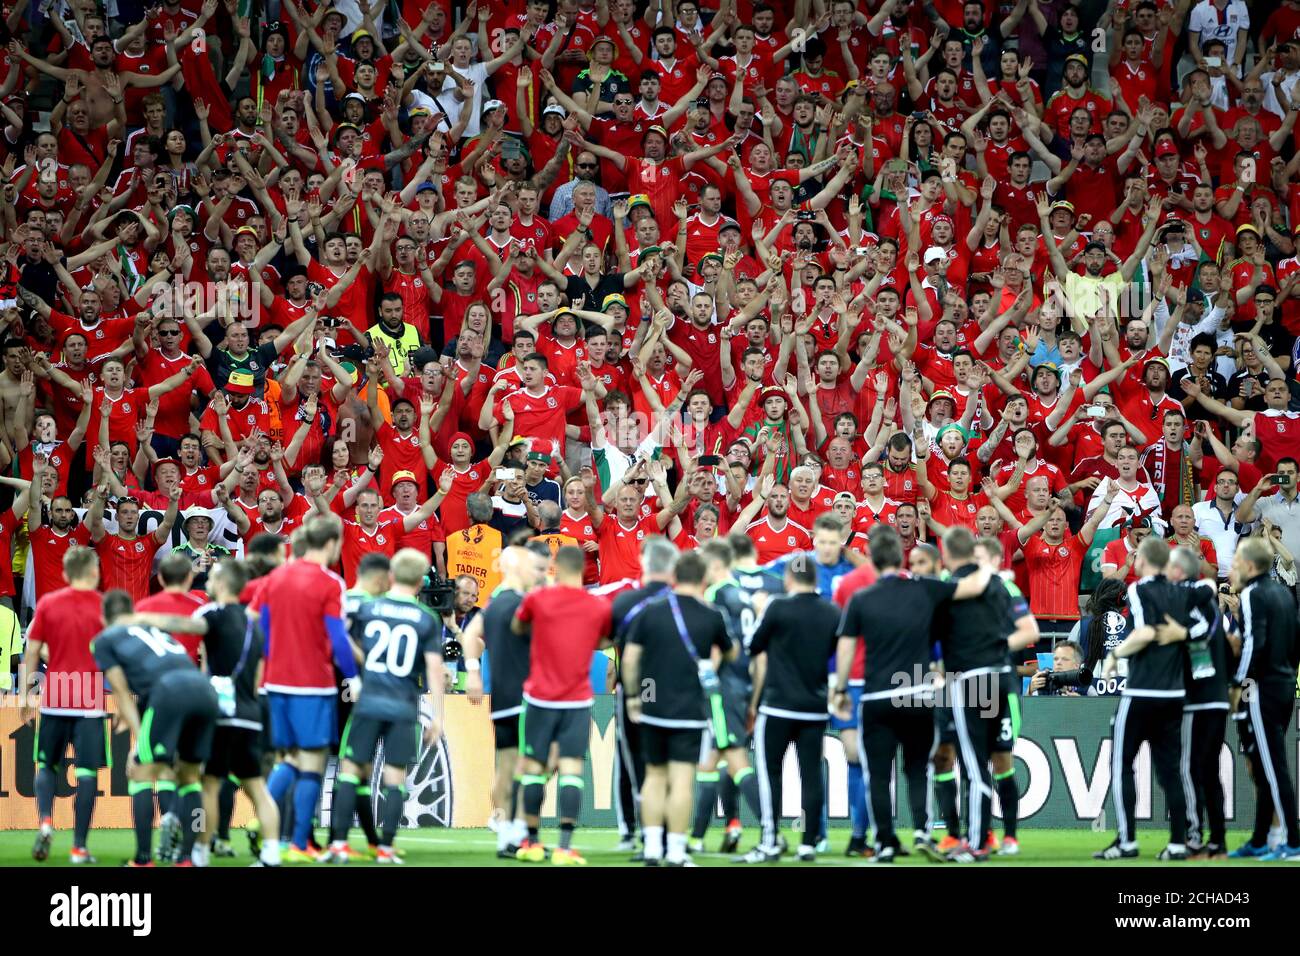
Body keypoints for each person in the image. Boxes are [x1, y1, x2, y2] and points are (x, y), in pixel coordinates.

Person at [834, 526, 994, 861]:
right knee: (917, 768)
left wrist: (839, 689)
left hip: (877, 696)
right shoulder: (924, 589)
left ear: (873, 562)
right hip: (919, 692)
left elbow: (846, 648)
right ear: (902, 556)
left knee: (877, 773)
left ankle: (885, 842)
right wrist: (991, 560)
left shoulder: (861, 598)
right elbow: (974, 585)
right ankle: (922, 831)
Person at [322, 549, 445, 866]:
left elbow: (340, 635)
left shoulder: (371, 608)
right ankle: (386, 849)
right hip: (404, 706)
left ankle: (337, 845)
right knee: (395, 778)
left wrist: (365, 663)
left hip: (368, 702)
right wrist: (438, 716)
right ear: (420, 582)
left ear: (391, 576)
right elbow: (434, 670)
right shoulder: (427, 618)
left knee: (349, 773)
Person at [252, 515, 359, 863]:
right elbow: (338, 636)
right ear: (330, 544)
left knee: (289, 758)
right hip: (313, 683)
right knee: (312, 762)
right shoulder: (331, 583)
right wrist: (353, 677)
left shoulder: (275, 577)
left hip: (275, 682)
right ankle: (298, 843)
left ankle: (264, 821)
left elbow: (260, 628)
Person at [930, 526, 1039, 862]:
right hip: (999, 680)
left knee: (976, 766)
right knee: (984, 761)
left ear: (947, 554)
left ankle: (976, 842)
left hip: (969, 680)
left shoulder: (949, 589)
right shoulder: (997, 585)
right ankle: (973, 836)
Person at [623, 550, 734, 866]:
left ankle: (653, 848)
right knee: (683, 780)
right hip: (689, 710)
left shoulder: (650, 611)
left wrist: (633, 697)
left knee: (654, 777)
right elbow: (731, 651)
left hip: (652, 706)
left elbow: (629, 658)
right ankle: (675, 850)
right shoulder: (712, 615)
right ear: (702, 579)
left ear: (673, 576)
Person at [91, 589, 218, 868]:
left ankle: (143, 859)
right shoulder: (151, 629)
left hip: (170, 692)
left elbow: (122, 693)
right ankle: (188, 858)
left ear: (104, 617)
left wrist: (138, 741)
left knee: (140, 773)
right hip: (204, 691)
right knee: (189, 778)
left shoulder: (104, 640)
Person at [511, 545, 614, 865]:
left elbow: (517, 627)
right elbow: (607, 640)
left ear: (555, 567)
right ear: (583, 570)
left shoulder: (537, 599)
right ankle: (565, 847)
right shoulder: (596, 606)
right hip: (577, 699)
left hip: (539, 697)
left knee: (533, 769)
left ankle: (531, 842)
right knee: (571, 770)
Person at [739, 552, 842, 863]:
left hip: (779, 705)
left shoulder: (777, 606)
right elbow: (837, 652)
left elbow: (753, 645)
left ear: (788, 579)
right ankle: (809, 842)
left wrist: (759, 612)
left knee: (770, 774)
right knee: (811, 774)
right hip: (814, 705)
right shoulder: (831, 611)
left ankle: (770, 840)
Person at [1096, 536, 1194, 861]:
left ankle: (1127, 841)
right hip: (1174, 692)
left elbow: (1146, 632)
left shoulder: (1138, 589)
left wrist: (1113, 657)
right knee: (1171, 771)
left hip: (1140, 690)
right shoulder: (1183, 592)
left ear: (1141, 559)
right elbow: (1197, 632)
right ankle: (1179, 842)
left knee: (1121, 764)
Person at [21, 546, 107, 865]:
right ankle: (79, 848)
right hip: (89, 699)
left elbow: (32, 651)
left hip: (56, 694)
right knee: (86, 773)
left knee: (46, 766)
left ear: (65, 573)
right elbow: (113, 656)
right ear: (95, 572)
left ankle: (45, 822)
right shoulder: (104, 607)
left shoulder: (48, 603)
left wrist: (29, 694)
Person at [463, 544, 550, 858]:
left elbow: (469, 634)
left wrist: (473, 672)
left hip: (502, 696)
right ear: (519, 568)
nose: (537, 573)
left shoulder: (495, 601)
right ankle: (521, 833)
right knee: (535, 765)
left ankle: (506, 834)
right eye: (534, 568)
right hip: (527, 697)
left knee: (506, 766)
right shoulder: (525, 602)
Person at [197, 559, 282, 867]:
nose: (207, 581)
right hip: (250, 712)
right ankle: (272, 854)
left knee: (209, 784)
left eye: (211, 578)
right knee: (258, 787)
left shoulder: (210, 613)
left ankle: (201, 852)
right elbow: (258, 674)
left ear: (220, 583)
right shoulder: (255, 626)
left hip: (220, 714)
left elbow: (191, 631)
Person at [688, 539, 766, 855]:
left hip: (721, 688)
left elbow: (715, 647)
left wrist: (702, 683)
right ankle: (696, 837)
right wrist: (754, 697)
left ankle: (770, 830)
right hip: (744, 684)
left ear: (716, 565)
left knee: (735, 760)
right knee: (709, 764)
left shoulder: (715, 595)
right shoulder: (745, 597)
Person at [1226, 536, 1300, 859]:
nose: (1234, 566)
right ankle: (1259, 839)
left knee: (1272, 767)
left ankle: (1293, 842)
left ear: (1251, 565)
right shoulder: (1284, 593)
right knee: (1264, 762)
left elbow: (1254, 644)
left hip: (1261, 688)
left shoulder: (1252, 594)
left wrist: (1238, 683)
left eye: (1239, 560)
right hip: (1284, 684)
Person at [607, 536, 678, 858]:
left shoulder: (625, 600)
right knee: (673, 767)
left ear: (645, 562)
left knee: (633, 763)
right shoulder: (685, 601)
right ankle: (670, 837)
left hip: (636, 690)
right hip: (676, 692)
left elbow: (600, 637)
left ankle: (638, 832)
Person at [1164, 545, 1230, 858]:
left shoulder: (1186, 600)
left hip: (1195, 700)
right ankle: (1218, 840)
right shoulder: (1209, 602)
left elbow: (1192, 636)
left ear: (1178, 571)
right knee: (1208, 771)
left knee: (1189, 769)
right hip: (1216, 698)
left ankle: (1192, 837)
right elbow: (1226, 644)